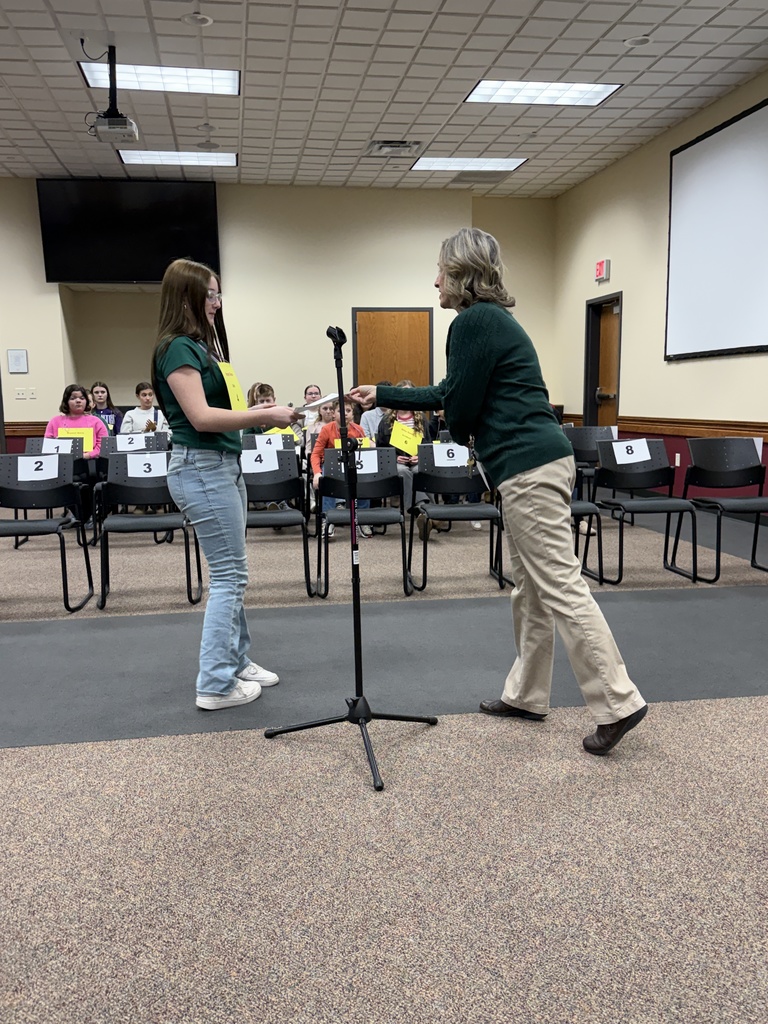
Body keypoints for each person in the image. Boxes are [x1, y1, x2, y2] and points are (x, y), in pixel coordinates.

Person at [350, 227, 647, 756]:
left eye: (441, 269)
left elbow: (456, 404)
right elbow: (456, 397)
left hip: (527, 466)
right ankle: (528, 694)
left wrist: (397, 395)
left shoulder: (473, 321)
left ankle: (619, 702)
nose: (434, 279)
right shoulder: (494, 320)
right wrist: (390, 393)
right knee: (529, 587)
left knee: (558, 583)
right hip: (535, 463)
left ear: (461, 274)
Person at [152, 258, 300, 710]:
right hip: (200, 466)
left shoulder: (201, 347)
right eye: (210, 294)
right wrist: (264, 415)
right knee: (229, 577)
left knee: (233, 573)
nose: (217, 303)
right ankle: (215, 684)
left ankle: (235, 661)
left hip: (221, 464)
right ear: (188, 297)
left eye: (218, 294)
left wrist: (258, 419)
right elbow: (201, 417)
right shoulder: (177, 347)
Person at [310, 398, 371, 539]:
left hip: (353, 466)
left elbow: (366, 452)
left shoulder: (358, 430)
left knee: (364, 477)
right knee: (326, 477)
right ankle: (328, 519)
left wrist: (371, 443)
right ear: (333, 414)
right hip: (332, 467)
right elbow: (315, 454)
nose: (345, 414)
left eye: (348, 411)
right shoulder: (326, 429)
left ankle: (362, 519)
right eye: (340, 411)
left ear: (352, 414)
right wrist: (317, 473)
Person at [375, 380, 434, 515]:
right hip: (396, 463)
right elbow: (381, 449)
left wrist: (419, 457)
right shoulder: (386, 420)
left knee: (420, 470)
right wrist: (395, 458)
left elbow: (428, 445)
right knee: (403, 471)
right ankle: (425, 509)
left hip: (416, 460)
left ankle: (421, 510)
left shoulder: (421, 418)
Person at [45, 384, 108, 460]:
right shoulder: (55, 421)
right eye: (73, 398)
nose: (78, 401)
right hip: (61, 461)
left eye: (82, 398)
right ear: (66, 401)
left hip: (90, 463)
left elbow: (104, 445)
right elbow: (48, 445)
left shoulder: (96, 421)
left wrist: (88, 455)